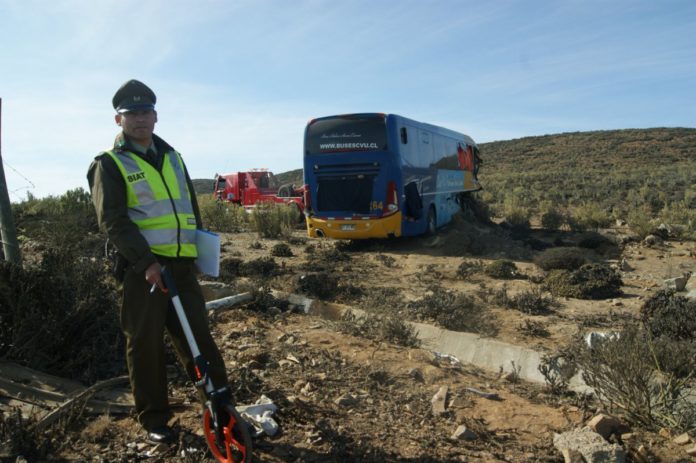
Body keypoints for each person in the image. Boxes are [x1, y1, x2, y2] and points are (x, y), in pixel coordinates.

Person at [87, 79, 229, 444]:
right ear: (118, 120)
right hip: (144, 271)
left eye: (145, 111)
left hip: (181, 267)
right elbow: (113, 221)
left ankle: (220, 410)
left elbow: (190, 211)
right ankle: (154, 419)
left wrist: (199, 249)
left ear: (155, 115)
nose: (140, 119)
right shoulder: (109, 164)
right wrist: (146, 262)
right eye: (131, 113)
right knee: (145, 345)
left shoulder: (173, 157)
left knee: (200, 339)